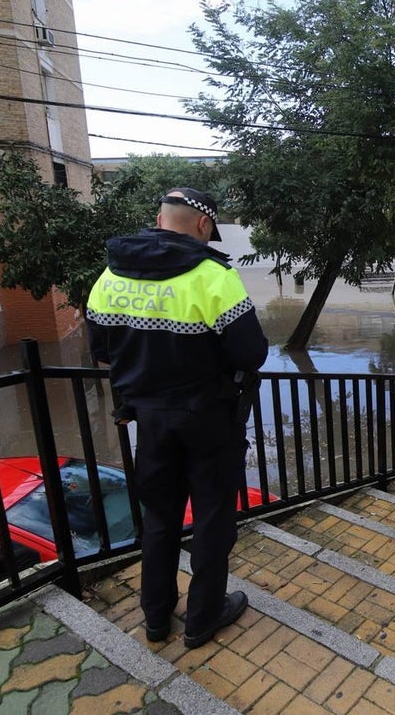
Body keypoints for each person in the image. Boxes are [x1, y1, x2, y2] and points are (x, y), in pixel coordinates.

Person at [85, 187, 269, 649]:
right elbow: (252, 352)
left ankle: (155, 618)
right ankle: (202, 620)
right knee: (211, 519)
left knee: (160, 517)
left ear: (158, 218)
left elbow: (101, 352)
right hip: (209, 419)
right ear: (204, 226)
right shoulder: (212, 276)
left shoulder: (111, 275)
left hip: (148, 420)